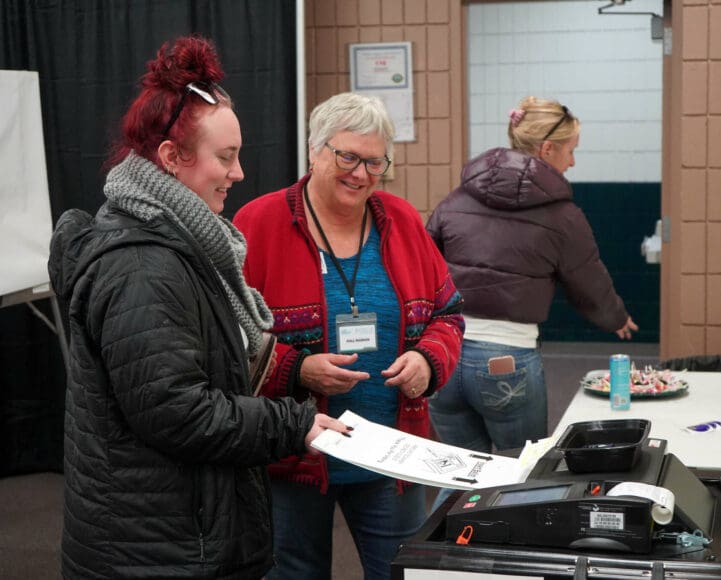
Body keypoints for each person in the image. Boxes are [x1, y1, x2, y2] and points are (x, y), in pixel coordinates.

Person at [47, 36, 349, 580]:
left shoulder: (181, 244)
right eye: (226, 157)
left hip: (175, 534)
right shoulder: (143, 266)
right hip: (156, 550)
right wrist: (294, 424)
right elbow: (177, 413)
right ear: (170, 158)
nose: (239, 174)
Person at [232, 92, 465, 580]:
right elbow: (230, 338)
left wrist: (426, 361)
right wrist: (297, 370)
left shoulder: (400, 221)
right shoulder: (258, 224)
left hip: (391, 455)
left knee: (402, 573)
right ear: (315, 151)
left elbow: (449, 314)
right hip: (291, 454)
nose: (361, 174)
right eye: (347, 156)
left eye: (375, 161)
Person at [426, 96, 638, 505]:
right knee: (522, 475)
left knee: (457, 475)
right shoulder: (562, 216)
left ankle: (433, 562)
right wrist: (616, 318)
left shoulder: (455, 200)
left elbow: (422, 267)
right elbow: (588, 281)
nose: (573, 162)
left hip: (442, 356)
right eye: (572, 150)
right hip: (505, 362)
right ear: (547, 150)